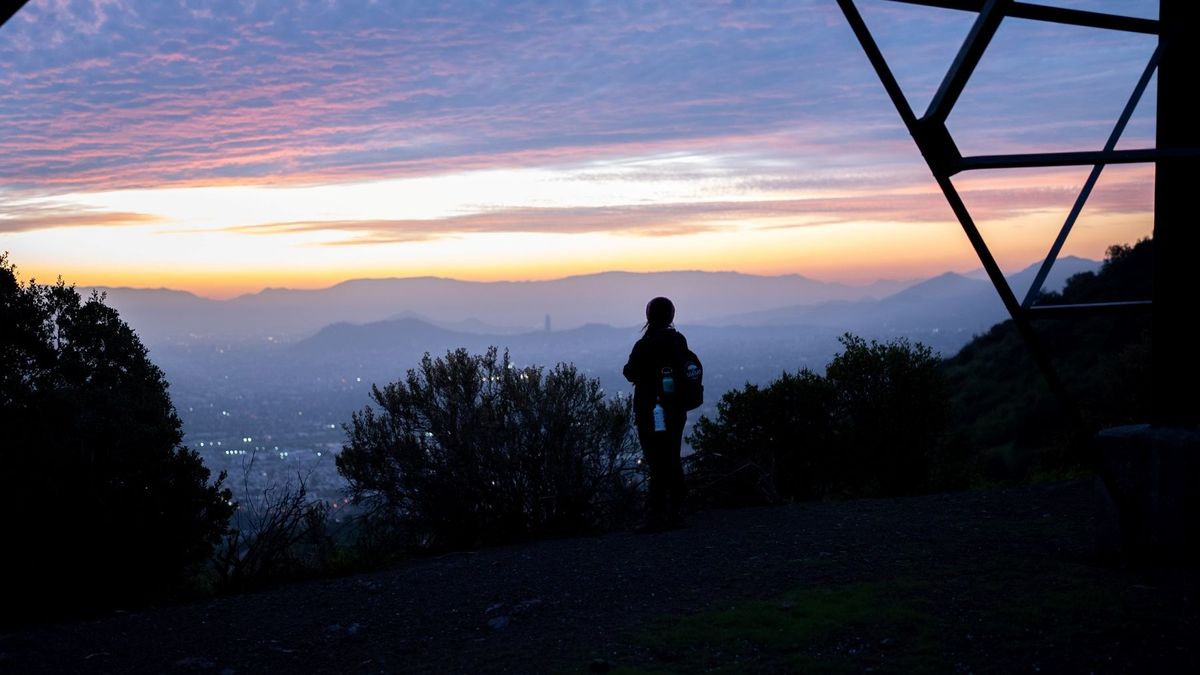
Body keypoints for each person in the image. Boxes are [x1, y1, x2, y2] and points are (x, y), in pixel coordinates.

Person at [623, 296, 689, 532]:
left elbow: (629, 372)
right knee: (672, 456)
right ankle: (678, 512)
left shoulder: (645, 344)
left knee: (656, 460)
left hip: (650, 409)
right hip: (675, 410)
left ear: (649, 316)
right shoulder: (678, 340)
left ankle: (656, 515)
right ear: (671, 315)